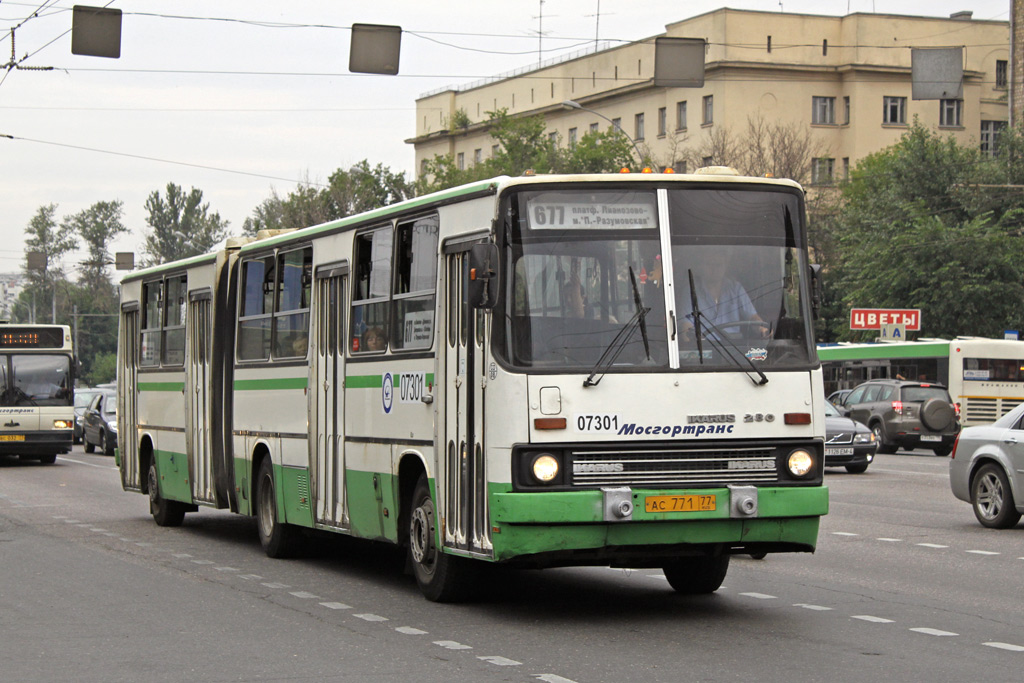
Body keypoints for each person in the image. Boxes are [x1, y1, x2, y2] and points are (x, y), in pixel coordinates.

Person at [680, 247, 767, 341]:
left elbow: (752, 316)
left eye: (718, 265)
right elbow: (686, 326)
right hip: (704, 349)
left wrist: (761, 328)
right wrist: (692, 347)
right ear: (701, 266)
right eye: (709, 264)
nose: (713, 269)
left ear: (725, 266)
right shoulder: (691, 291)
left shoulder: (735, 289)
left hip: (733, 349)